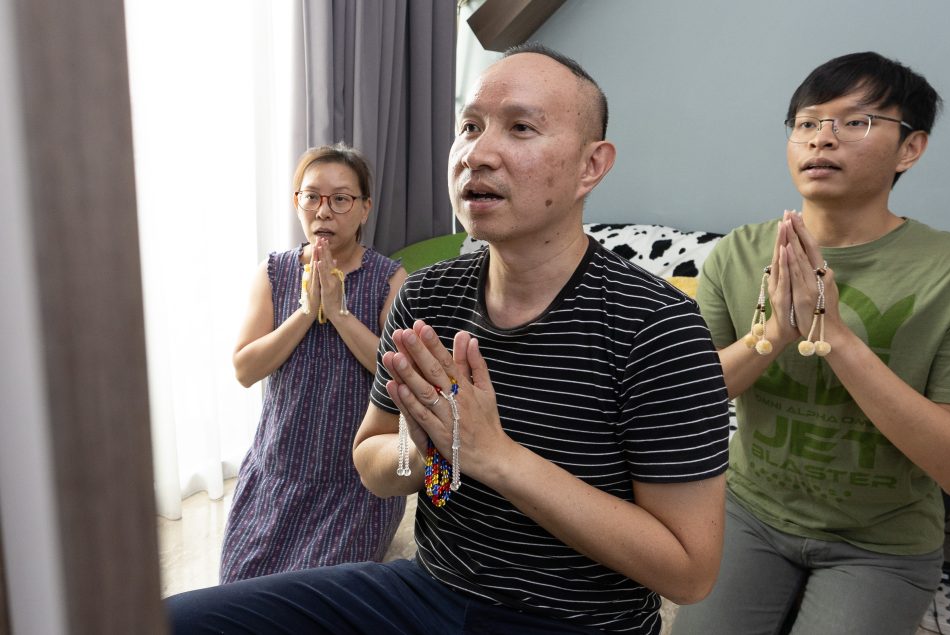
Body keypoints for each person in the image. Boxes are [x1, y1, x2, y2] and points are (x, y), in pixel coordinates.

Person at [168, 43, 731, 635]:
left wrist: (497, 457)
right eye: (469, 127)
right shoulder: (428, 296)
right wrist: (427, 451)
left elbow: (689, 573)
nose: (477, 154)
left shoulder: (658, 326)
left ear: (591, 165)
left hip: (576, 621)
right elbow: (373, 458)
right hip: (426, 591)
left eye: (520, 128)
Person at [673, 52, 950, 635]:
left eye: (855, 122)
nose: (821, 139)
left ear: (910, 147)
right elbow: (688, 400)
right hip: (749, 511)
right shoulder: (738, 253)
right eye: (807, 122)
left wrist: (834, 336)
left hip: (883, 542)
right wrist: (773, 334)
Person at [219, 143, 408, 583]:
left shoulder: (389, 279)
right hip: (277, 472)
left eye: (341, 199)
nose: (324, 211)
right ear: (297, 202)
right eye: (312, 197)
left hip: (353, 485)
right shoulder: (274, 272)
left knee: (314, 599)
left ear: (364, 208)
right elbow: (245, 370)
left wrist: (339, 313)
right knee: (238, 593)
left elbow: (399, 376)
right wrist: (306, 310)